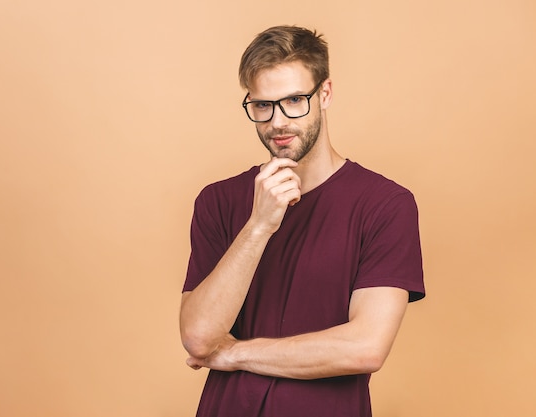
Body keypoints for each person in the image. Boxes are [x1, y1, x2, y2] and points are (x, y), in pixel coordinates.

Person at [179, 25, 425, 417]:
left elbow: (364, 347)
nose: (278, 122)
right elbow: (197, 336)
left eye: (295, 100)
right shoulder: (218, 201)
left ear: (324, 93)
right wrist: (258, 226)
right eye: (262, 105)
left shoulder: (385, 205)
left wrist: (234, 354)